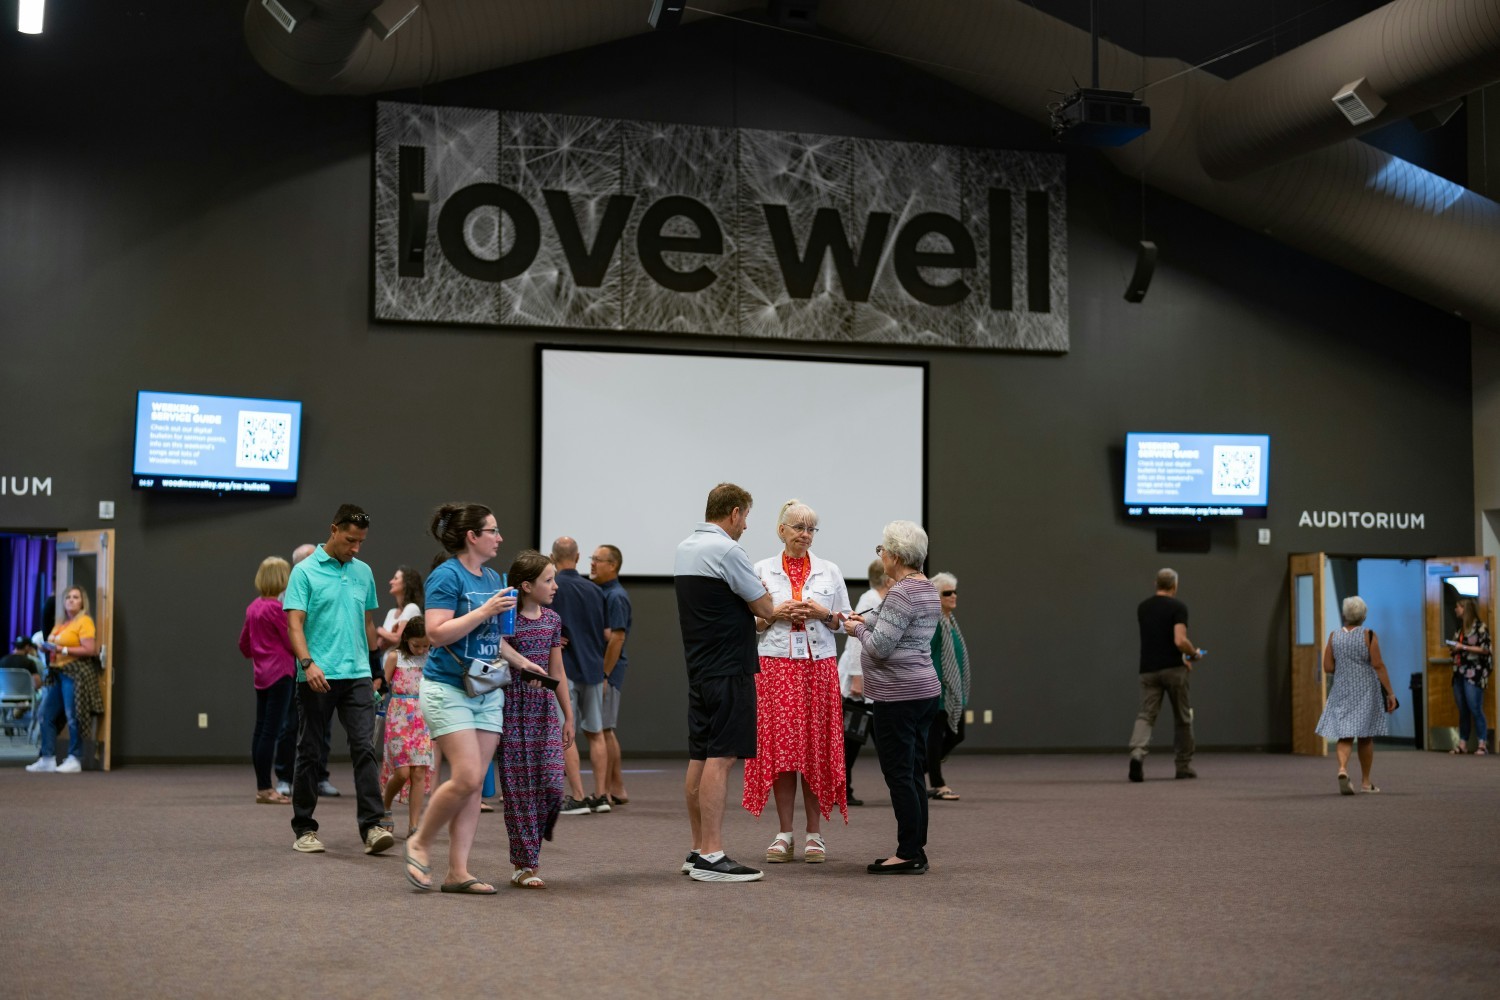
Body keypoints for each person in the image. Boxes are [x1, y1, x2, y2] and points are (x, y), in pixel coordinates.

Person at [403, 502, 524, 894]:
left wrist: (525, 662)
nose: (499, 538)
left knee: (473, 786)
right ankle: (420, 840)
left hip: (486, 689)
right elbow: (436, 633)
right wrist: (485, 609)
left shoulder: (492, 577)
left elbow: (494, 639)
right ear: (473, 536)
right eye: (493, 530)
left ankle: (458, 872)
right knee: (469, 775)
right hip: (447, 688)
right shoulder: (446, 575)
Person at [674, 483, 775, 882]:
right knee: (723, 755)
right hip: (729, 668)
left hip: (701, 668)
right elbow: (764, 605)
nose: (747, 526)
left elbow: (719, 612)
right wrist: (765, 608)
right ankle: (713, 857)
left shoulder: (686, 548)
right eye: (746, 517)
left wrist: (755, 618)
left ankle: (698, 849)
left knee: (700, 755)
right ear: (734, 513)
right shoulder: (728, 549)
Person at [284, 505, 393, 857]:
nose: (356, 548)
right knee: (311, 751)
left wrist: (376, 672)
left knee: (364, 747)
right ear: (333, 530)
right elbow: (295, 624)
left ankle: (373, 827)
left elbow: (367, 623)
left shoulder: (364, 572)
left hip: (358, 674)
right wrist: (307, 663)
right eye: (350, 540)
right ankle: (305, 828)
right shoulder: (304, 572)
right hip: (317, 676)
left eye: (361, 542)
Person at [745, 499, 850, 865]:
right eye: (798, 528)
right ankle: (785, 832)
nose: (805, 535)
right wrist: (775, 613)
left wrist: (823, 613)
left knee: (816, 750)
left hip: (818, 665)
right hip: (776, 666)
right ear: (781, 530)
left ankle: (815, 834)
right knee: (783, 752)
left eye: (811, 529)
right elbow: (751, 624)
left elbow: (845, 622)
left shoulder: (830, 571)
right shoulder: (760, 569)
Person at [842, 521, 941, 874]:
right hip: (922, 691)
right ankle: (916, 847)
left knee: (900, 775)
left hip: (898, 695)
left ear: (896, 555)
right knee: (913, 773)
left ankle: (909, 852)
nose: (881, 555)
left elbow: (881, 648)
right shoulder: (927, 588)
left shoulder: (900, 593)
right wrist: (862, 624)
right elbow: (895, 634)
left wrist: (856, 630)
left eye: (882, 549)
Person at [497, 550, 576, 889]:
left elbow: (557, 669)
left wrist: (567, 716)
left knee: (552, 785)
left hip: (543, 710)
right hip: (511, 708)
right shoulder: (506, 618)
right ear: (526, 586)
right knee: (518, 790)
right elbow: (496, 650)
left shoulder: (552, 620)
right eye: (548, 580)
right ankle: (524, 864)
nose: (555, 585)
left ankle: (530, 848)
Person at [551, 536, 612, 815]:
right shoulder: (595, 590)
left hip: (566, 670)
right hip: (593, 667)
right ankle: (601, 796)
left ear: (553, 558)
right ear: (577, 558)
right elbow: (606, 634)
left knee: (567, 733)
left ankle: (577, 796)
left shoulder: (552, 588)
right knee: (597, 733)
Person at [1316, 596, 1398, 793]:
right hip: (1365, 691)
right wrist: (1390, 693)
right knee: (1365, 737)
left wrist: (1345, 668)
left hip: (1342, 689)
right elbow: (1378, 665)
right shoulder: (1368, 635)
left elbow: (1327, 667)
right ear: (1364, 616)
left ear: (1345, 615)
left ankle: (1343, 768)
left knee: (1345, 735)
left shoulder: (1334, 636)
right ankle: (1366, 782)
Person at [274, 542, 337, 798]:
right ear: (297, 565)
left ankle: (320, 777)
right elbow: (287, 633)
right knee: (291, 724)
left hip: (326, 663)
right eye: (310, 559)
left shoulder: (327, 587)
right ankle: (284, 777)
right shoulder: (286, 595)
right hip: (297, 665)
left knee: (325, 724)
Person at [1128, 568, 1202, 783]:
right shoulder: (1178, 607)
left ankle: (1137, 754)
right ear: (1175, 585)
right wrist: (1193, 653)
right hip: (1174, 670)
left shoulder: (1143, 608)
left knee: (1146, 715)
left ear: (1156, 583)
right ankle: (1183, 766)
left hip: (1148, 670)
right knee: (1183, 717)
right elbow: (1179, 641)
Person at [238, 556, 295, 804]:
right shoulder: (276, 609)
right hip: (281, 674)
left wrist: (261, 652)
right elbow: (292, 642)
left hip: (261, 674)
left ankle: (262, 785)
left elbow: (244, 646)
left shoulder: (253, 607)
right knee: (272, 731)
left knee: (261, 730)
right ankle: (265, 788)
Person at [27, 586, 100, 774]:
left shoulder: (85, 622)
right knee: (45, 715)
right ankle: (47, 758)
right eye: (68, 597)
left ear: (82, 602)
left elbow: (90, 649)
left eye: (76, 597)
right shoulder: (61, 623)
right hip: (57, 672)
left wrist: (63, 650)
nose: (71, 600)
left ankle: (75, 757)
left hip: (75, 673)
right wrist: (45, 648)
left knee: (73, 716)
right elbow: (55, 644)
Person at [837, 560, 887, 806]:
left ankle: (843, 789)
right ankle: (841, 789)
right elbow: (856, 640)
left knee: (855, 738)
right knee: (851, 739)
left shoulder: (877, 599)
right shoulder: (870, 600)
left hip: (868, 684)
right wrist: (858, 677)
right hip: (859, 685)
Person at [381, 616, 434, 838]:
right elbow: (383, 684)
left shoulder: (431, 658)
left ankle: (414, 826)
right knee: (402, 772)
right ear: (406, 639)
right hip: (399, 715)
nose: (421, 649)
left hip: (423, 716)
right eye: (417, 645)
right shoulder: (395, 657)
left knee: (419, 770)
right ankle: (384, 807)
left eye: (426, 645)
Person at [591, 544, 632, 806]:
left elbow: (617, 639)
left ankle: (607, 789)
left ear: (613, 565)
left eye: (598, 560)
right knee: (606, 729)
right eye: (591, 559)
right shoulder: (603, 592)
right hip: (604, 670)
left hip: (608, 671)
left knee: (604, 729)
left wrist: (604, 675)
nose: (592, 563)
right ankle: (616, 787)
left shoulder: (616, 596)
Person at [926, 572, 970, 801]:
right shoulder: (934, 623)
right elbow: (926, 654)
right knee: (935, 739)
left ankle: (919, 768)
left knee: (957, 734)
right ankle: (938, 783)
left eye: (954, 591)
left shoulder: (950, 622)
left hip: (952, 692)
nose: (953, 596)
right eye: (947, 593)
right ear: (936, 596)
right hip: (937, 690)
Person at [1449, 596, 1492, 755]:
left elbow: (1486, 649)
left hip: (1475, 674)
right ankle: (1463, 743)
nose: (1455, 610)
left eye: (1458, 607)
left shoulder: (1480, 628)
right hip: (1459, 672)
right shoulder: (1460, 630)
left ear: (1465, 609)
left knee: (1475, 707)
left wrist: (1464, 647)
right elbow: (1456, 646)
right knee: (1463, 710)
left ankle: (1482, 743)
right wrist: (1455, 648)